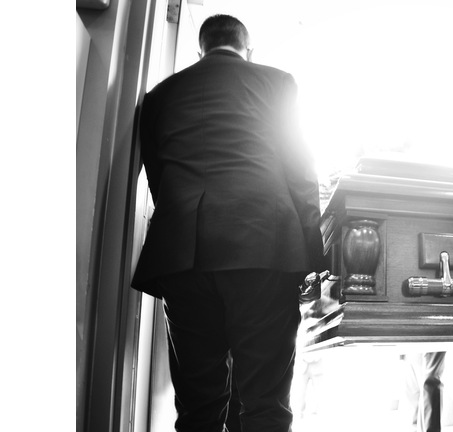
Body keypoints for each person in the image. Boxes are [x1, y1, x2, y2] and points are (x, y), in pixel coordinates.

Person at [131, 14, 325, 432]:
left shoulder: (160, 95)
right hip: (264, 246)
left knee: (199, 407)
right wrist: (313, 258)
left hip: (183, 254)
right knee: (264, 403)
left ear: (199, 51)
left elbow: (158, 177)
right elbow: (301, 174)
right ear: (248, 49)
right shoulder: (277, 83)